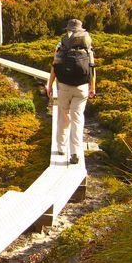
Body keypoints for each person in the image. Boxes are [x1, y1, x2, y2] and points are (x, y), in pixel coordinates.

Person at [46, 18, 96, 165]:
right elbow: (92, 68)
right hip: (82, 88)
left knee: (63, 116)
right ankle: (74, 152)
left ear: (68, 30)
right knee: (77, 119)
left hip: (64, 86)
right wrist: (92, 87)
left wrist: (50, 85)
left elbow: (55, 67)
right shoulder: (88, 46)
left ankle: (61, 147)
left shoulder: (61, 45)